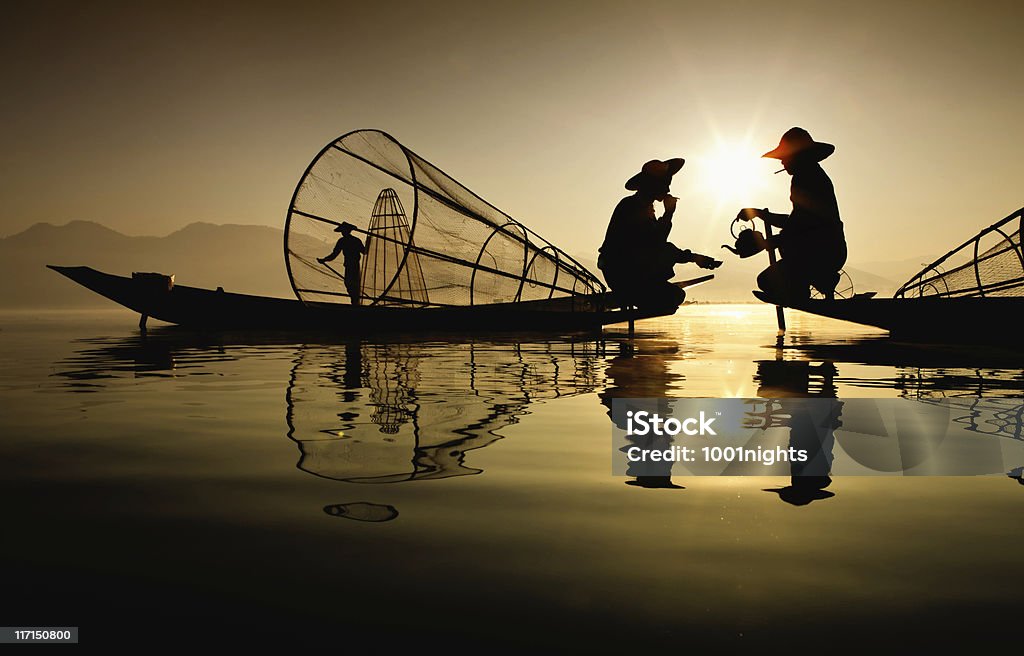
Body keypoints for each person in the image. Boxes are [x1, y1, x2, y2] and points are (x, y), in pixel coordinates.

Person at [738, 127, 847, 303]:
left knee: (766, 281)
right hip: (830, 250)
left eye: (785, 158)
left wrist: (769, 242)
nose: (782, 163)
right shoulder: (811, 175)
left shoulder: (806, 178)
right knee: (773, 278)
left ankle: (816, 281)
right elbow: (796, 221)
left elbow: (800, 226)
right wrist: (759, 214)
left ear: (798, 156)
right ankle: (821, 279)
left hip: (820, 252)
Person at [598, 158, 721, 311]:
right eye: (665, 184)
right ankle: (632, 294)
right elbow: (656, 243)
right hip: (622, 272)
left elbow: (656, 243)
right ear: (652, 184)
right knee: (673, 295)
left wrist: (694, 258)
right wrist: (669, 213)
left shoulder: (645, 207)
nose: (668, 190)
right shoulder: (632, 206)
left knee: (676, 295)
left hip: (631, 270)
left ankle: (639, 293)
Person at [317, 222, 366, 305]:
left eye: (343, 231)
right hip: (351, 266)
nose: (342, 233)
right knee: (351, 285)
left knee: (351, 285)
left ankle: (355, 303)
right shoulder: (350, 240)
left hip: (352, 266)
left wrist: (324, 260)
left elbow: (364, 251)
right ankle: (354, 302)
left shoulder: (346, 241)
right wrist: (324, 260)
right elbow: (334, 254)